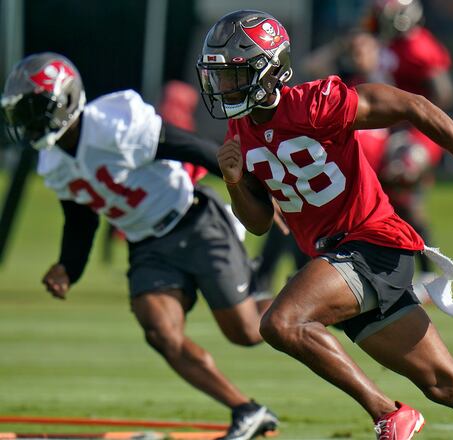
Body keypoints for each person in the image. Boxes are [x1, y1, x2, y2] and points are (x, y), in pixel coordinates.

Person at [196, 10, 453, 440]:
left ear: (270, 68)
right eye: (219, 76)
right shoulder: (238, 133)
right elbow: (259, 224)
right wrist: (234, 183)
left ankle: (388, 414)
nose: (224, 86)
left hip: (372, 244)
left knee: (282, 323)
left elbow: (415, 106)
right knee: (447, 384)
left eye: (234, 74)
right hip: (341, 259)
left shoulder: (315, 103)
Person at [1, 53, 278, 440]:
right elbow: (80, 218)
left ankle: (303, 303)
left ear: (65, 101)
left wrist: (257, 195)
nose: (27, 121)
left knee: (246, 331)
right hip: (146, 244)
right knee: (160, 331)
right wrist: (69, 267)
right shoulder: (53, 160)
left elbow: (194, 148)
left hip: (193, 219)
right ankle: (246, 410)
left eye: (33, 110)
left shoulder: (113, 124)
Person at [364, 0, 453, 284]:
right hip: (392, 131)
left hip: (415, 133)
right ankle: (404, 268)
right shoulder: (387, 43)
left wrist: (413, 123)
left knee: (405, 195)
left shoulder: (419, 47)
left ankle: (428, 271)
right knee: (384, 200)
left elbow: (443, 95)